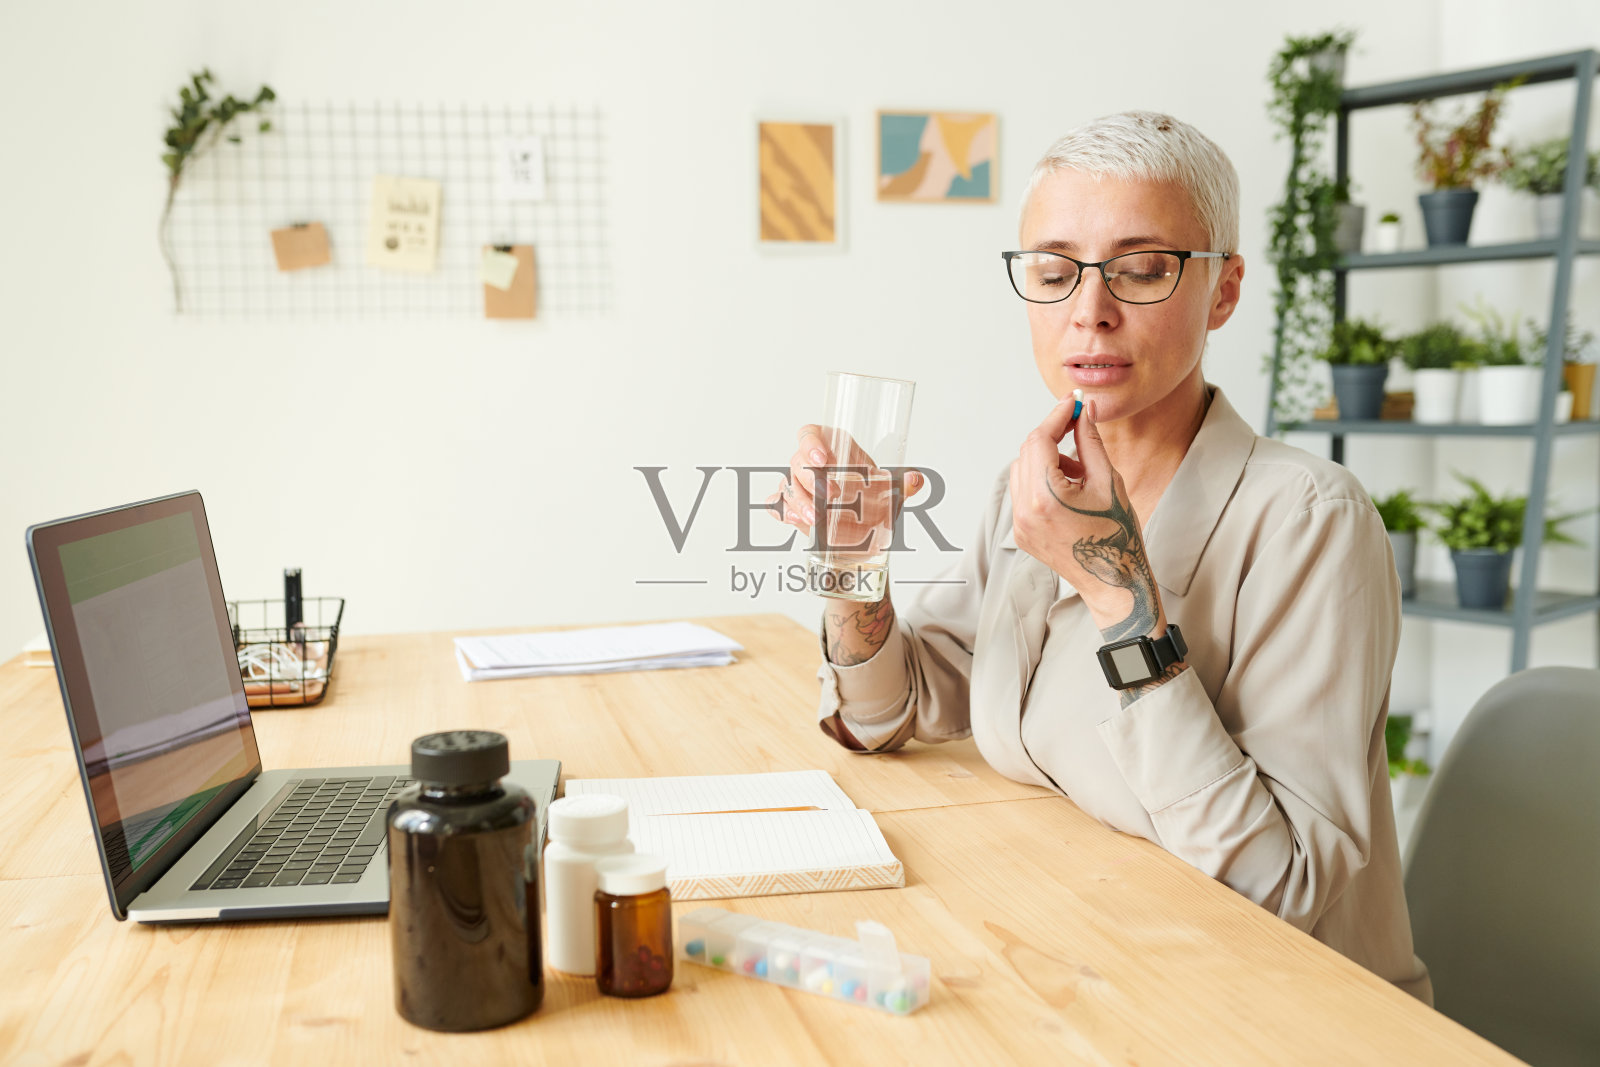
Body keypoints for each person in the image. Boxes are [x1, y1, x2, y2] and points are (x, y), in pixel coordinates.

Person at [771, 111, 1431, 1004]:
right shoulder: (1037, 489)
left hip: (1277, 1009)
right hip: (1090, 958)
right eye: (1053, 272)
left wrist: (1121, 594)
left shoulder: (1311, 519)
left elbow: (1276, 889)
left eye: (1143, 268)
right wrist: (854, 567)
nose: (1090, 311)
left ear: (1224, 290)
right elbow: (895, 710)